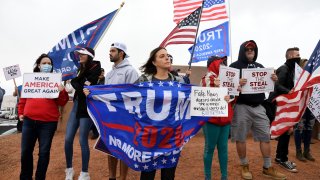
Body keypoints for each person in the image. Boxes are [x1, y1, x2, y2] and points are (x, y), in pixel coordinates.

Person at [229, 40, 286, 180]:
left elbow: (268, 85)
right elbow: (227, 87)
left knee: (265, 137)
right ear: (242, 50)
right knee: (240, 138)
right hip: (241, 107)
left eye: (252, 49)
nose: (250, 51)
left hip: (259, 107)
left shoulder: (260, 67)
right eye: (247, 49)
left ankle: (267, 167)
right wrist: (236, 83)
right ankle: (244, 166)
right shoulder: (234, 66)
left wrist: (274, 79)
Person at [84, 42, 139, 180]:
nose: (110, 53)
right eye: (110, 50)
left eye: (113, 51)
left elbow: (133, 94)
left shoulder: (130, 71)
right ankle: (112, 177)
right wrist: (92, 93)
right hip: (110, 118)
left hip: (125, 118)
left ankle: (123, 177)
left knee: (124, 149)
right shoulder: (109, 73)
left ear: (121, 53)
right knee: (110, 147)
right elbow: (105, 94)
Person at [135, 47, 185, 180]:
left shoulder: (178, 81)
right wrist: (94, 95)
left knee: (168, 176)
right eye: (162, 56)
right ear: (154, 62)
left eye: (167, 55)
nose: (167, 58)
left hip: (172, 137)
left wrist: (221, 98)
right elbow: (126, 97)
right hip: (149, 137)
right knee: (147, 175)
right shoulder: (144, 80)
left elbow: (195, 99)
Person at [18, 53, 69, 180]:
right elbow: (23, 100)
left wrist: (62, 91)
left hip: (48, 123)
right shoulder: (30, 80)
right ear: (39, 65)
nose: (47, 65)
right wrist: (20, 113)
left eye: (49, 64)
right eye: (44, 63)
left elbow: (62, 102)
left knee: (44, 153)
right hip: (29, 122)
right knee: (25, 152)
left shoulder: (56, 81)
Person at [64, 47, 101, 180]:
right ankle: (69, 169)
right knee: (68, 139)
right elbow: (81, 87)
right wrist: (77, 82)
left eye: (82, 54)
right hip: (76, 106)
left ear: (89, 56)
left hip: (87, 108)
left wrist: (75, 82)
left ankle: (85, 173)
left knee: (82, 140)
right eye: (78, 54)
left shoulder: (96, 67)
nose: (79, 56)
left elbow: (85, 87)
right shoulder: (80, 69)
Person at [201, 56, 234, 180]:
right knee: (209, 148)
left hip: (225, 119)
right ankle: (207, 177)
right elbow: (204, 90)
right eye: (221, 63)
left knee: (223, 149)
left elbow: (232, 98)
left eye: (224, 63)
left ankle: (224, 177)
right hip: (211, 120)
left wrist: (233, 94)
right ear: (214, 64)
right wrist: (215, 87)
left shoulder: (226, 78)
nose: (223, 65)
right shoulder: (207, 78)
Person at [268, 47, 301, 172]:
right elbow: (276, 85)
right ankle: (282, 159)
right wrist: (289, 91)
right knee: (285, 131)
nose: (299, 57)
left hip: (285, 104)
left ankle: (280, 157)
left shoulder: (292, 70)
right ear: (290, 57)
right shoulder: (284, 68)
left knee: (285, 131)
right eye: (297, 55)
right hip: (277, 104)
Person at [293, 59, 316, 162]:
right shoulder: (298, 77)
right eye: (306, 65)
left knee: (309, 128)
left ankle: (307, 151)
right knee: (299, 128)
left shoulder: (314, 77)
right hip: (301, 106)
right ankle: (299, 151)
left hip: (312, 106)